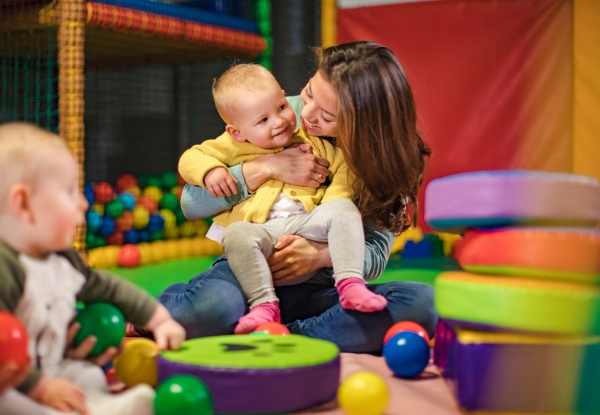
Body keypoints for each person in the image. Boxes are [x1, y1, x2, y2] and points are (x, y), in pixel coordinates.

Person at [158, 41, 436, 354]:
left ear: (362, 126)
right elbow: (192, 203)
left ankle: (285, 334)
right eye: (308, 92)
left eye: (328, 116)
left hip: (321, 288)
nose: (306, 115)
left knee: (421, 304)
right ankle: (203, 314)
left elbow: (374, 256)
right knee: (201, 312)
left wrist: (319, 254)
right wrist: (265, 167)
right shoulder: (279, 113)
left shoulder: (382, 163)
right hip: (251, 271)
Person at [178, 63, 387, 334]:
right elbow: (192, 159)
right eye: (263, 120)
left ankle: (350, 285)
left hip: (307, 233)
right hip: (262, 235)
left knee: (344, 209)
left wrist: (323, 240)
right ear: (237, 132)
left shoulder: (314, 142)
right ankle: (264, 306)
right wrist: (212, 172)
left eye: (281, 108)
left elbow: (347, 176)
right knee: (237, 235)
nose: (279, 121)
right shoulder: (234, 146)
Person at [0, 122, 186, 415]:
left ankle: (101, 405)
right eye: (69, 191)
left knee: (84, 373)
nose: (83, 203)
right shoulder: (5, 267)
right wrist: (39, 388)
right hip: (9, 381)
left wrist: (157, 319)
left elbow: (107, 287)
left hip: (47, 367)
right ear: (23, 204)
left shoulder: (61, 259)